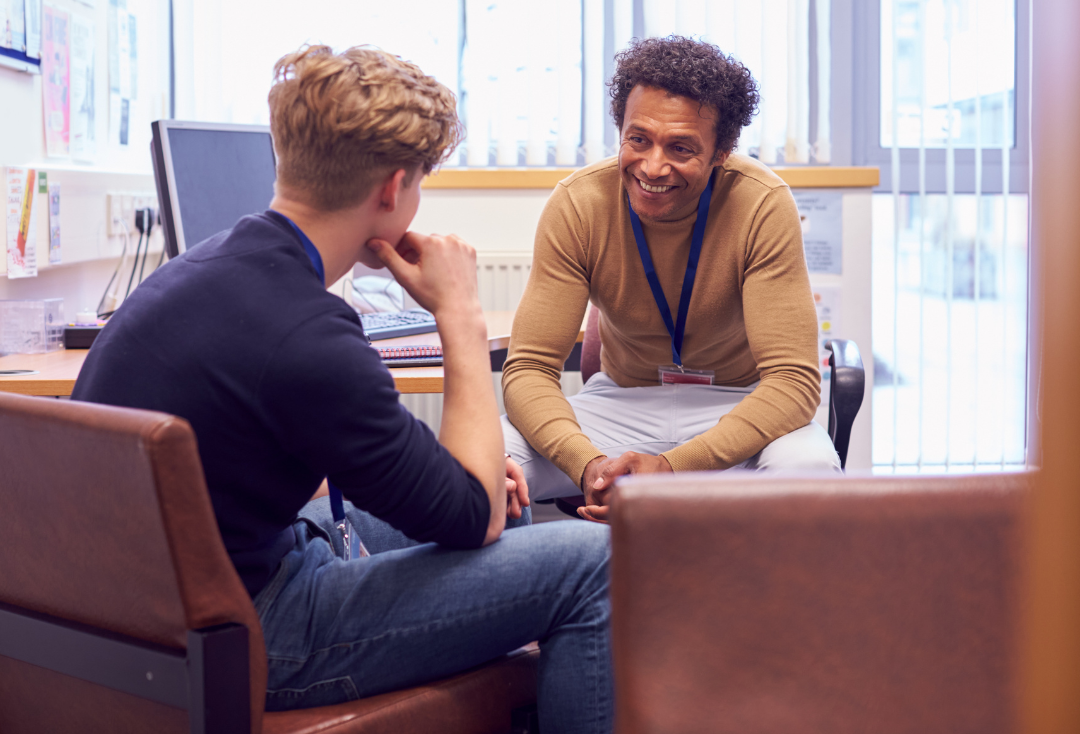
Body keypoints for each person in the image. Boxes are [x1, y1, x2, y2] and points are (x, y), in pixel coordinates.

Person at [72, 44, 611, 733]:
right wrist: (461, 316)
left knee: (513, 506)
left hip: (153, 605)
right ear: (392, 190)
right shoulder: (308, 335)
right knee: (593, 562)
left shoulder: (206, 267)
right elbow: (470, 516)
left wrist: (470, 490)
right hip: (248, 633)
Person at [502, 36, 841, 522]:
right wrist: (590, 466)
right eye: (638, 139)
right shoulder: (578, 204)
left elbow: (793, 383)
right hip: (621, 405)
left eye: (680, 147)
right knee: (485, 461)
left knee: (809, 472)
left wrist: (673, 467)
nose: (653, 166)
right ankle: (539, 593)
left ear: (721, 151)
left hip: (736, 405)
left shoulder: (762, 204)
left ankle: (764, 601)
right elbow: (529, 369)